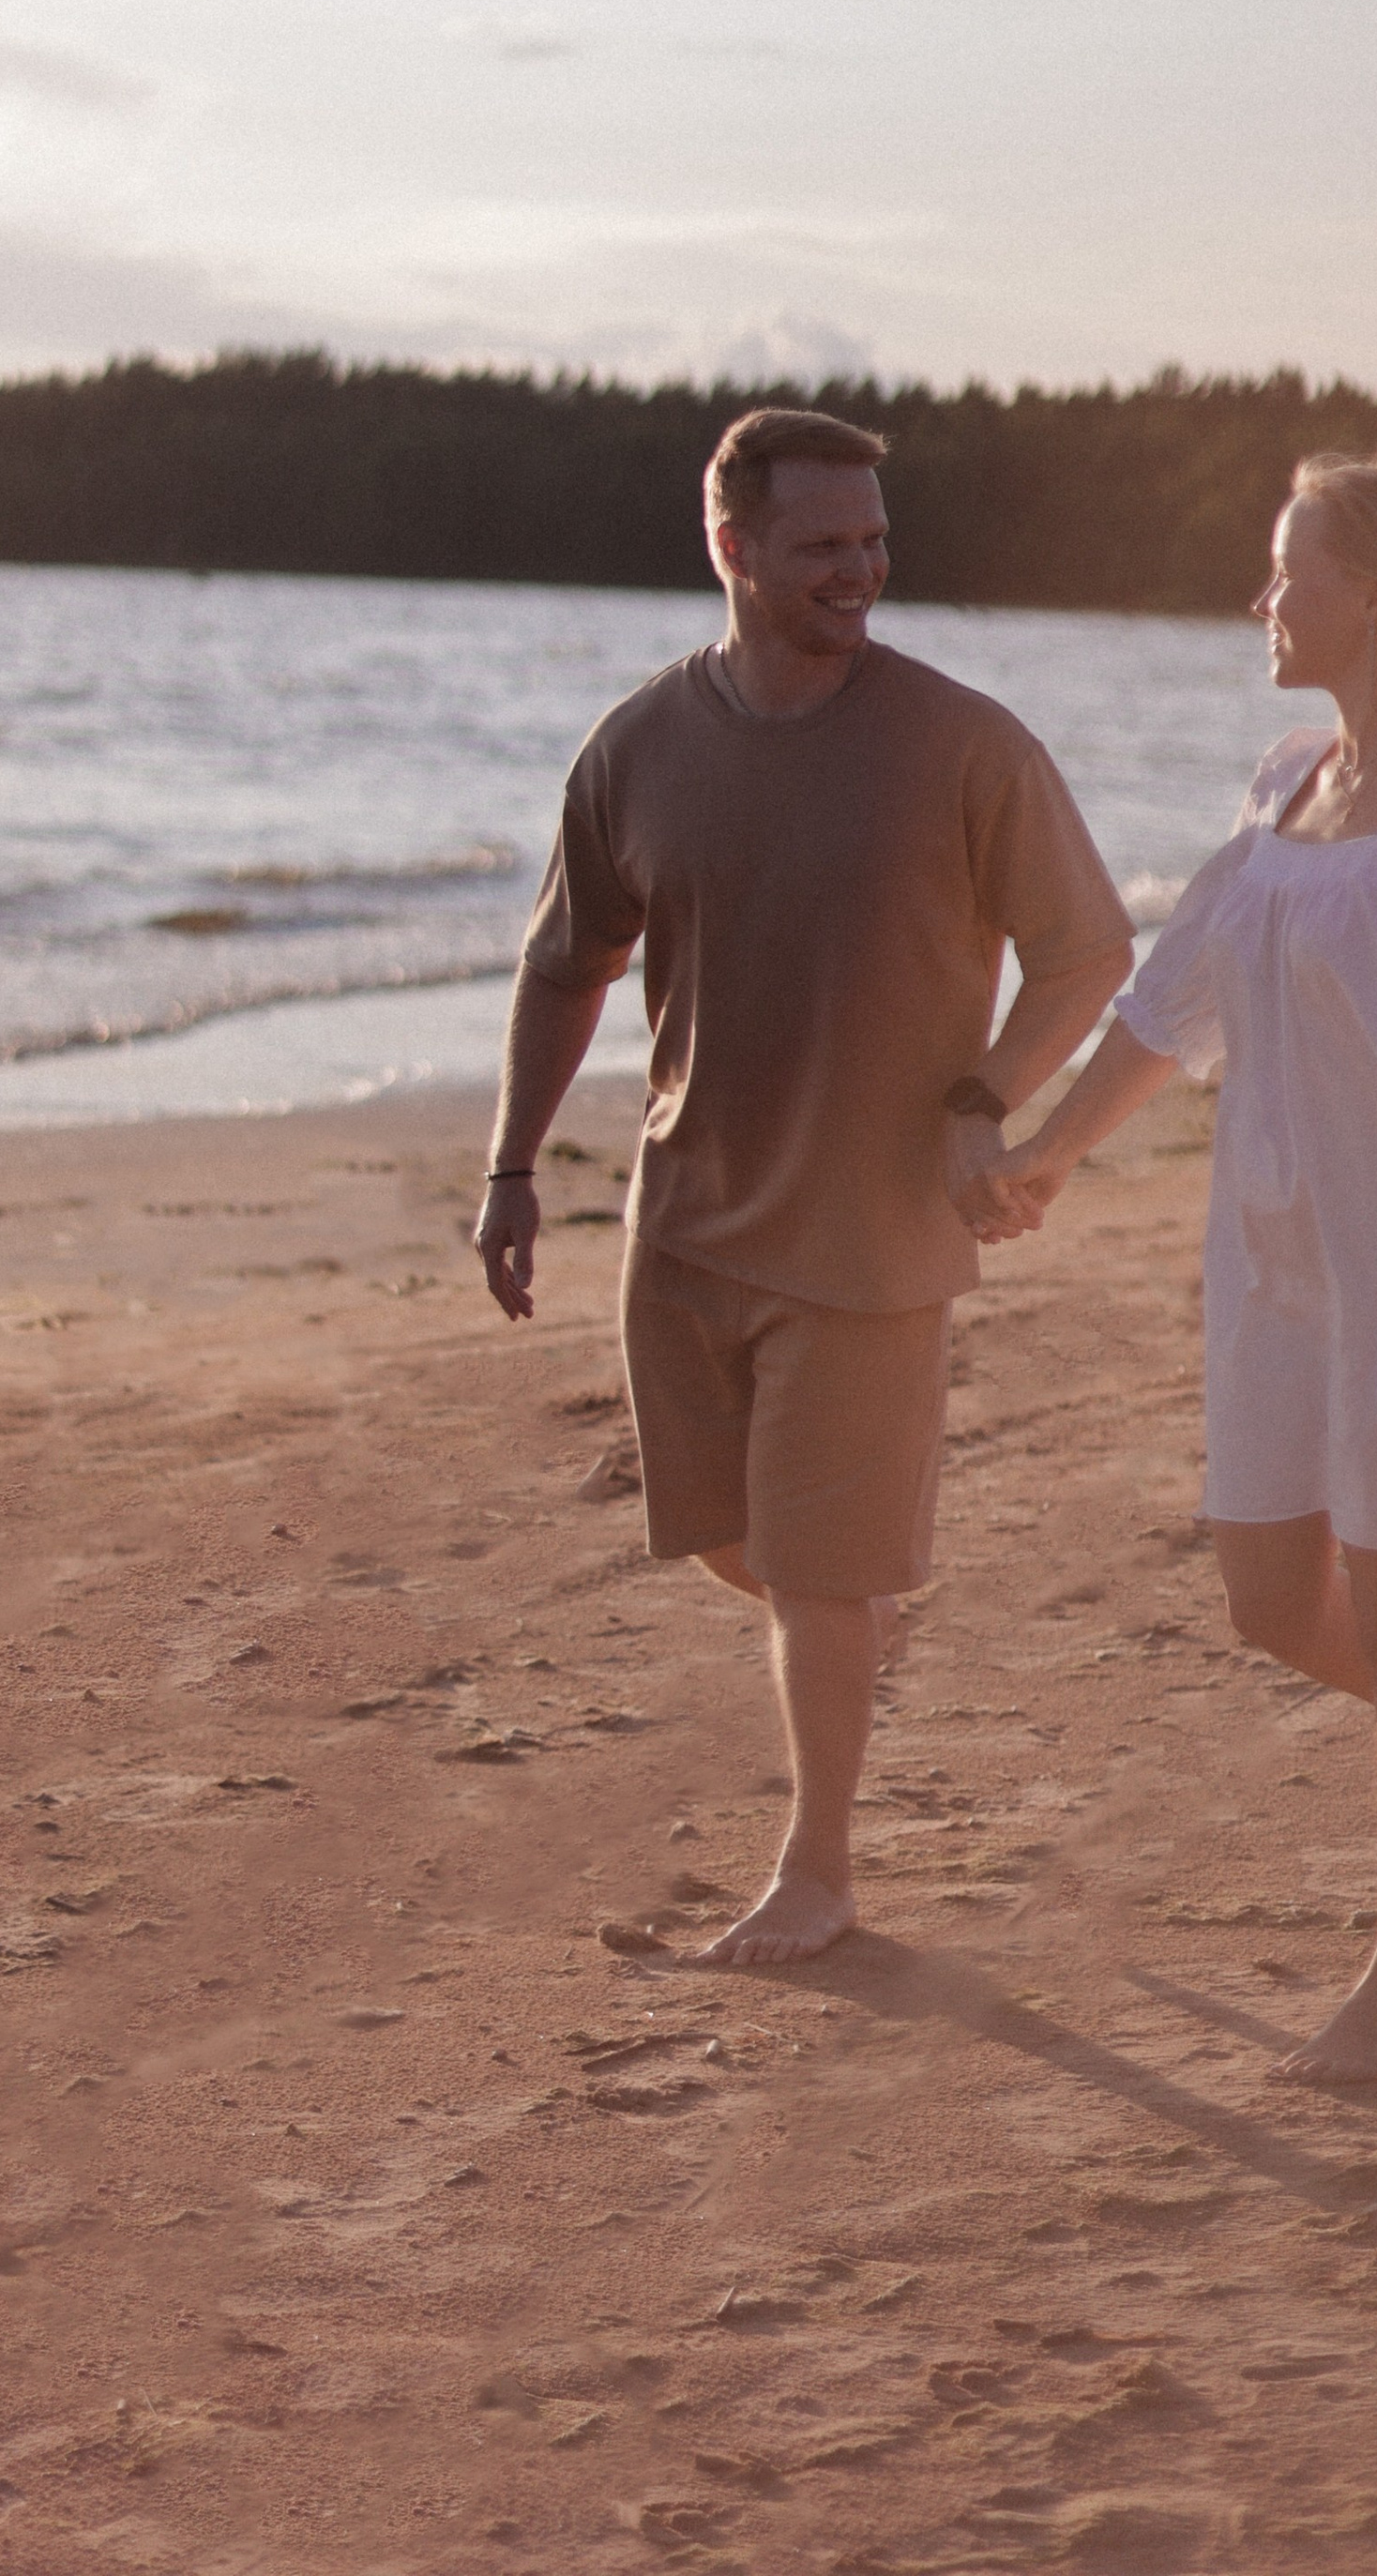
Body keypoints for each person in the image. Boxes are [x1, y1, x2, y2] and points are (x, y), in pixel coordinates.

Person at [966, 453, 1377, 2080]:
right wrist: (1048, 1148)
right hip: (1269, 1268)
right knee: (1269, 1597)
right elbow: (1173, 1003)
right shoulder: (1286, 786)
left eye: (1288, 572)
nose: (1263, 601)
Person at [474, 406, 1133, 1969]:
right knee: (732, 1547)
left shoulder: (963, 742)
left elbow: (1090, 951)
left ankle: (820, 1872)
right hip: (685, 1231)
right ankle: (843, 1632)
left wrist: (987, 1098)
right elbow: (569, 963)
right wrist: (512, 1165)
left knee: (822, 1586)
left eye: (876, 541)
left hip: (875, 1243)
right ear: (734, 549)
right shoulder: (638, 747)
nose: (863, 571)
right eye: (824, 545)